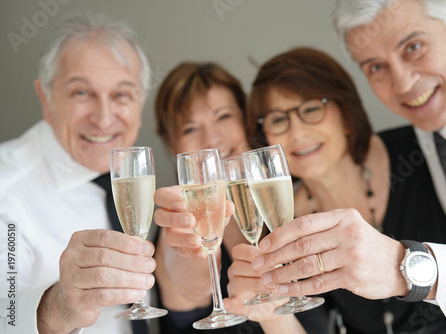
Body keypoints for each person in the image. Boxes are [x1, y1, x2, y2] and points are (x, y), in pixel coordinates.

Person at [247, 0, 446, 329]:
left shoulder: (410, 147)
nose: (404, 83)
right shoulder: (428, 130)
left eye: (414, 46)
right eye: (375, 67)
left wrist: (407, 267)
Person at [223, 46, 446, 333]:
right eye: (278, 119)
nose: (297, 133)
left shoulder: (423, 154)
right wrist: (272, 316)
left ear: (345, 109)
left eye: (311, 109)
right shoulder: (280, 229)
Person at [0, 13, 157, 334]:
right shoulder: (7, 190)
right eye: (81, 93)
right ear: (45, 98)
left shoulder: (132, 175)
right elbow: (6, 314)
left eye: (122, 95)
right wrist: (52, 311)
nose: (102, 119)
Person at [153, 62, 325, 333]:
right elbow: (192, 286)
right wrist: (191, 241)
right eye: (189, 129)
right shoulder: (175, 225)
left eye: (223, 116)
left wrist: (274, 316)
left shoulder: (289, 204)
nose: (211, 138)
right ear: (171, 143)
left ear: (246, 119)